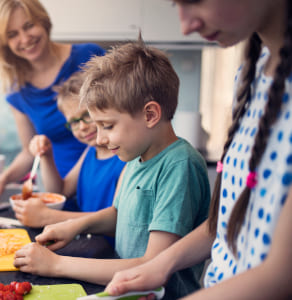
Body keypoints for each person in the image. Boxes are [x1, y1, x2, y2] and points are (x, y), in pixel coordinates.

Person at [104, 1, 292, 299]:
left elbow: (282, 276)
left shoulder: (179, 162)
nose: (185, 25)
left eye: (194, 0)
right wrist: (159, 265)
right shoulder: (250, 74)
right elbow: (225, 222)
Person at [13, 39, 211, 299]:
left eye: (107, 126)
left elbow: (152, 266)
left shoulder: (178, 166)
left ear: (150, 115)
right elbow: (120, 214)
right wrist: (73, 227)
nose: (100, 138)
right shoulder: (137, 157)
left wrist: (56, 265)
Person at [0, 0, 105, 204]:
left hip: (106, 178)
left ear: (43, 21)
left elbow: (120, 117)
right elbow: (29, 153)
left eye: (29, 26)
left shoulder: (89, 57)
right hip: (62, 192)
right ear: (5, 43)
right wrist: (2, 180)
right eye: (12, 34)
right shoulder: (17, 90)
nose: (25, 39)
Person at [11, 71, 126, 228]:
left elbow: (117, 221)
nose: (82, 127)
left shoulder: (125, 157)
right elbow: (61, 192)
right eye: (74, 122)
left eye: (87, 115)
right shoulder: (90, 152)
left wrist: (48, 217)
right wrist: (47, 156)